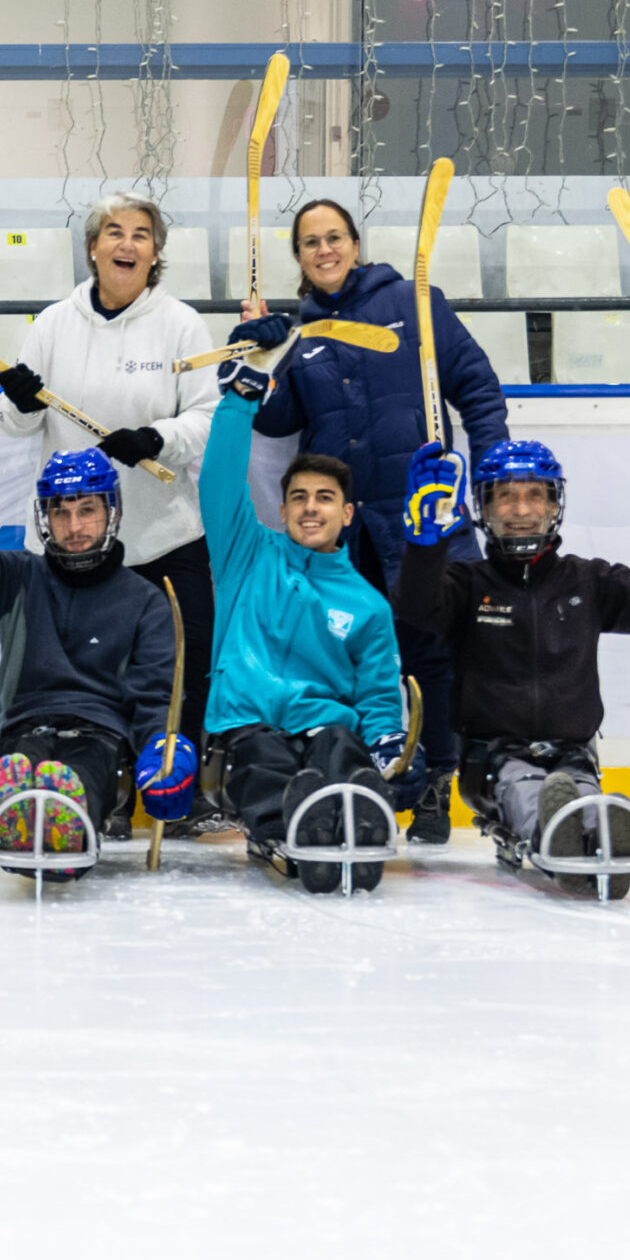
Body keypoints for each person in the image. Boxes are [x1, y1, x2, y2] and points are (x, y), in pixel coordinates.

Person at [238, 197, 511, 846]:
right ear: (299, 258)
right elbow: (276, 423)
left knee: (432, 652)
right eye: (310, 242)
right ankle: (377, 774)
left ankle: (439, 782)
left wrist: (492, 473)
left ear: (356, 245)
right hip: (348, 529)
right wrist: (258, 358)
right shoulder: (300, 335)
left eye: (334, 237)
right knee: (355, 658)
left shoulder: (413, 303)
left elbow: (475, 385)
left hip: (419, 516)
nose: (324, 250)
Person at [0, 192, 225, 836]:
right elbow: (13, 423)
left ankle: (183, 793)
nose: (127, 243)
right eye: (114, 232)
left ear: (156, 252)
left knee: (180, 668)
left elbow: (207, 417)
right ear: (93, 247)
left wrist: (155, 438)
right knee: (88, 672)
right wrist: (19, 402)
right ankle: (108, 788)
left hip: (168, 536)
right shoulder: (53, 324)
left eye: (142, 234)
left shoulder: (180, 323)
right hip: (80, 548)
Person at [395, 439, 630, 897]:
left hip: (572, 754)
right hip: (492, 761)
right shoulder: (467, 585)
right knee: (527, 790)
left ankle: (597, 825)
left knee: (579, 790)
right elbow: (415, 608)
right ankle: (560, 833)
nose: (521, 509)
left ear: (554, 504)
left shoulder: (588, 580)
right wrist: (424, 543)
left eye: (535, 495)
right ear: (483, 508)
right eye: (505, 496)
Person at [197, 351, 415, 893]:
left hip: (324, 726)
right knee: (266, 760)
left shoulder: (367, 604)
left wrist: (388, 736)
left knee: (342, 746)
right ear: (284, 507)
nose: (309, 508)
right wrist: (239, 403)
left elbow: (380, 690)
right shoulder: (246, 556)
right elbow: (218, 483)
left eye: (325, 498)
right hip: (247, 727)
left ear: (347, 512)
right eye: (298, 498)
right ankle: (297, 828)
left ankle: (359, 822)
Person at [0, 442, 187, 878]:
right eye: (61, 512)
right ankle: (22, 814)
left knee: (78, 770)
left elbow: (154, 694)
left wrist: (161, 748)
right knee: (26, 763)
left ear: (113, 511)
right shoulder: (20, 576)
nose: (74, 526)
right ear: (44, 518)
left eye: (87, 510)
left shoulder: (146, 601)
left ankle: (67, 819)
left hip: (102, 733)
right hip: (25, 723)